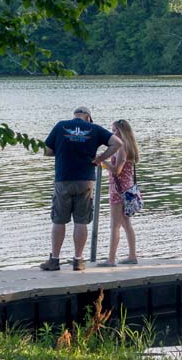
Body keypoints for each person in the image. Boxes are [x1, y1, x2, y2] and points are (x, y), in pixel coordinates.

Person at [40, 106, 123, 271]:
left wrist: (64, 152)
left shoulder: (60, 126)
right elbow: (117, 143)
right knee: (81, 221)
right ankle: (78, 260)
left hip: (63, 179)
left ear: (74, 116)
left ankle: (54, 260)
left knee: (59, 220)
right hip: (86, 180)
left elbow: (47, 151)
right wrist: (100, 158)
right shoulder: (94, 128)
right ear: (89, 117)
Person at [98, 119, 140, 267]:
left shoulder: (122, 148)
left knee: (114, 225)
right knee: (126, 223)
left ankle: (111, 259)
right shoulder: (130, 147)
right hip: (127, 188)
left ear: (122, 132)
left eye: (115, 130)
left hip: (119, 189)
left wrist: (102, 162)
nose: (112, 133)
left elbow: (117, 170)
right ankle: (132, 256)